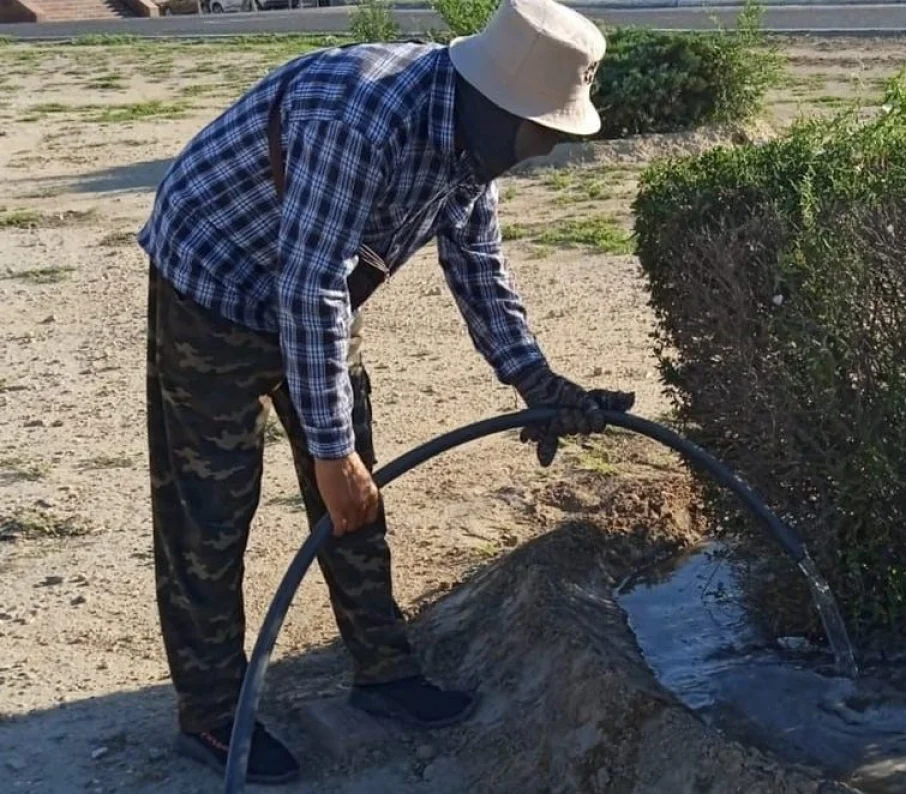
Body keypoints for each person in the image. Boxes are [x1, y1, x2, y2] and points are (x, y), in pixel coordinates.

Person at [138, 0, 634, 783]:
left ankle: (382, 670)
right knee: (210, 509)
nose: (538, 151)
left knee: (358, 498)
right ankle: (209, 713)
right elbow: (310, 287)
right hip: (217, 285)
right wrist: (330, 453)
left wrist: (535, 380)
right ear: (495, 102)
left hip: (312, 283)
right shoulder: (364, 117)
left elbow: (479, 270)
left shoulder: (470, 146)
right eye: (539, 132)